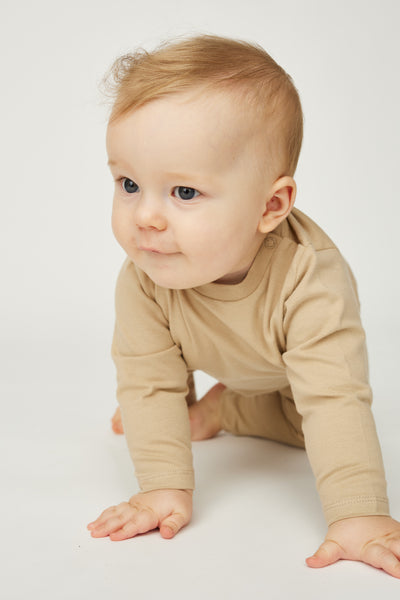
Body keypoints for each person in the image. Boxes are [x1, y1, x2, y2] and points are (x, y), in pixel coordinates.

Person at [87, 34, 400, 578]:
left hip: (296, 373)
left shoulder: (310, 278)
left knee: (311, 424)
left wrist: (360, 517)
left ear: (271, 206)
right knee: (155, 411)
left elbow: (334, 399)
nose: (146, 217)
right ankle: (209, 410)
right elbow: (149, 379)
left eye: (184, 193)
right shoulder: (144, 277)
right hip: (240, 360)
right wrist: (162, 488)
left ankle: (226, 408)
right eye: (130, 184)